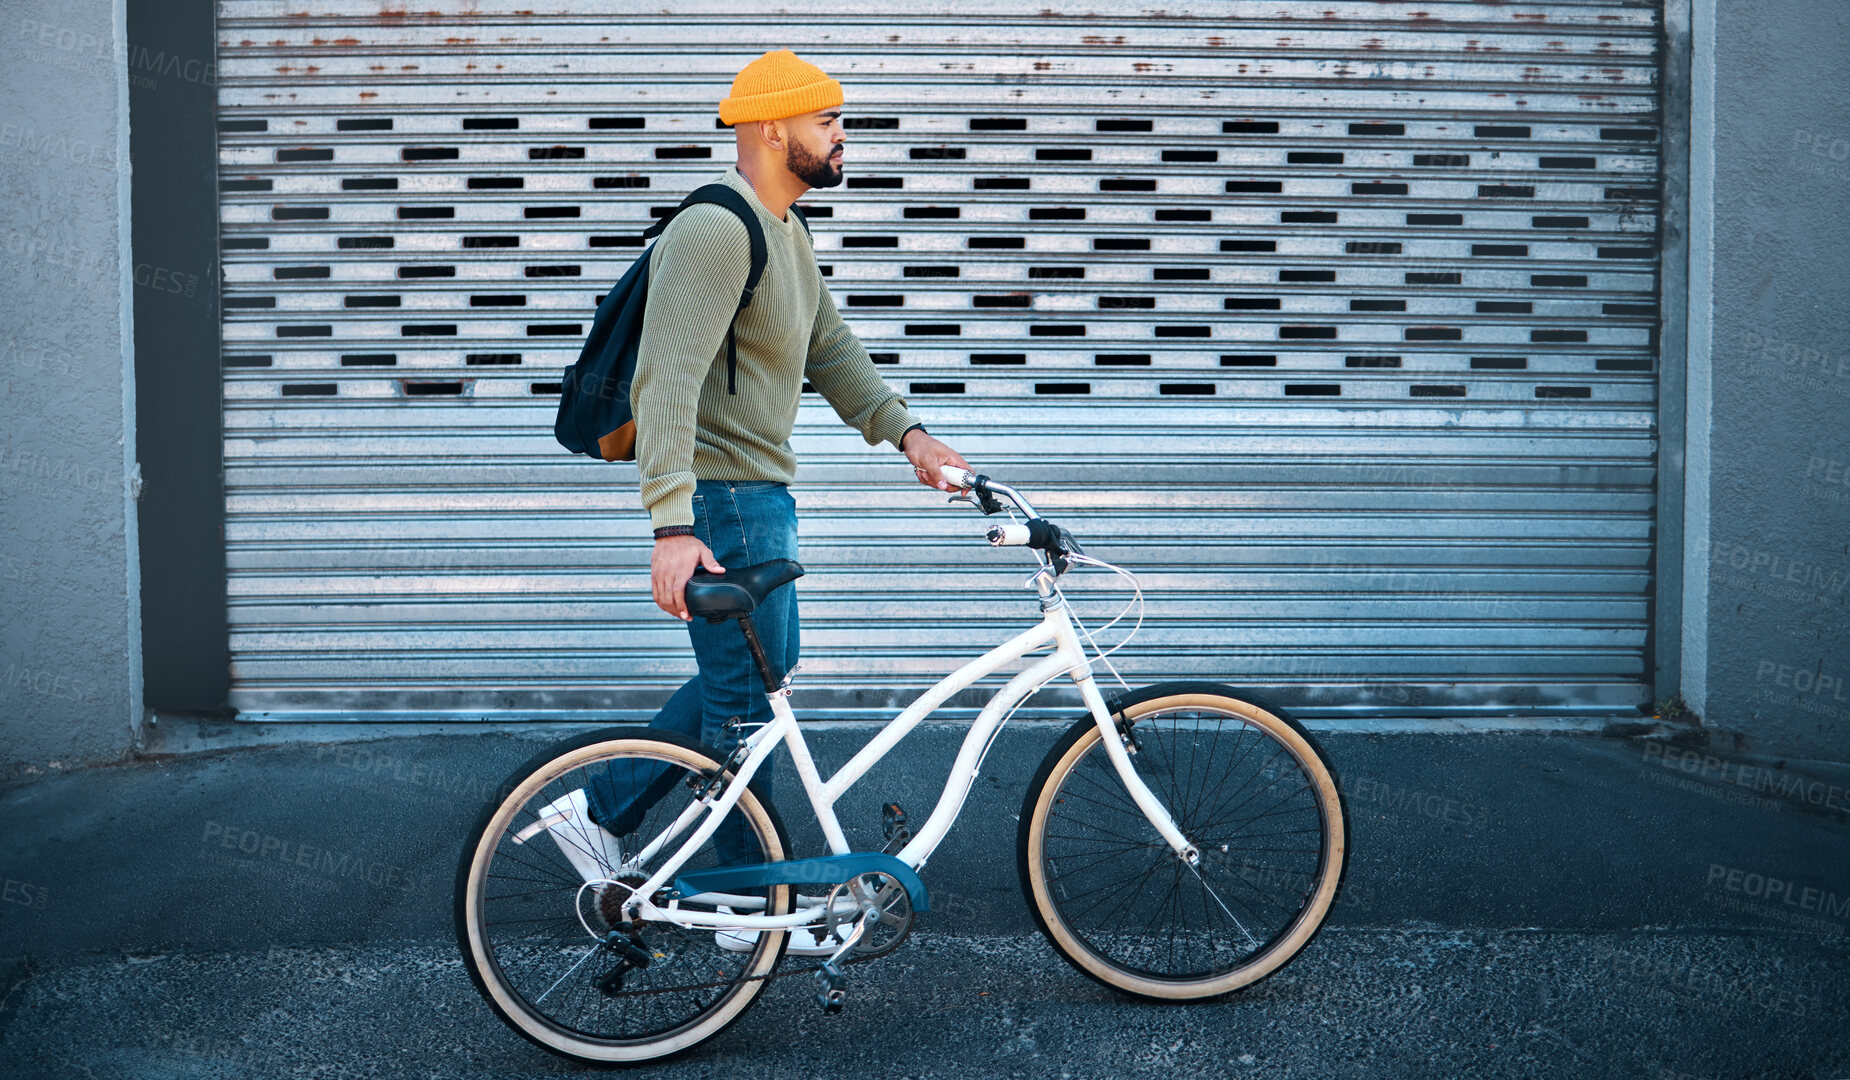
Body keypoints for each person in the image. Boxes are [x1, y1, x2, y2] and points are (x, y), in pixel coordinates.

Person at [536, 50, 970, 949]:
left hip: (758, 495)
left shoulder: (786, 232)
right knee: (746, 707)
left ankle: (605, 811)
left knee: (756, 687)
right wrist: (671, 524)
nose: (841, 136)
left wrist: (911, 437)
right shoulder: (717, 230)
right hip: (722, 497)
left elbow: (833, 353)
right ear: (773, 129)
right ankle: (737, 899)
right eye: (826, 121)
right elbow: (664, 381)